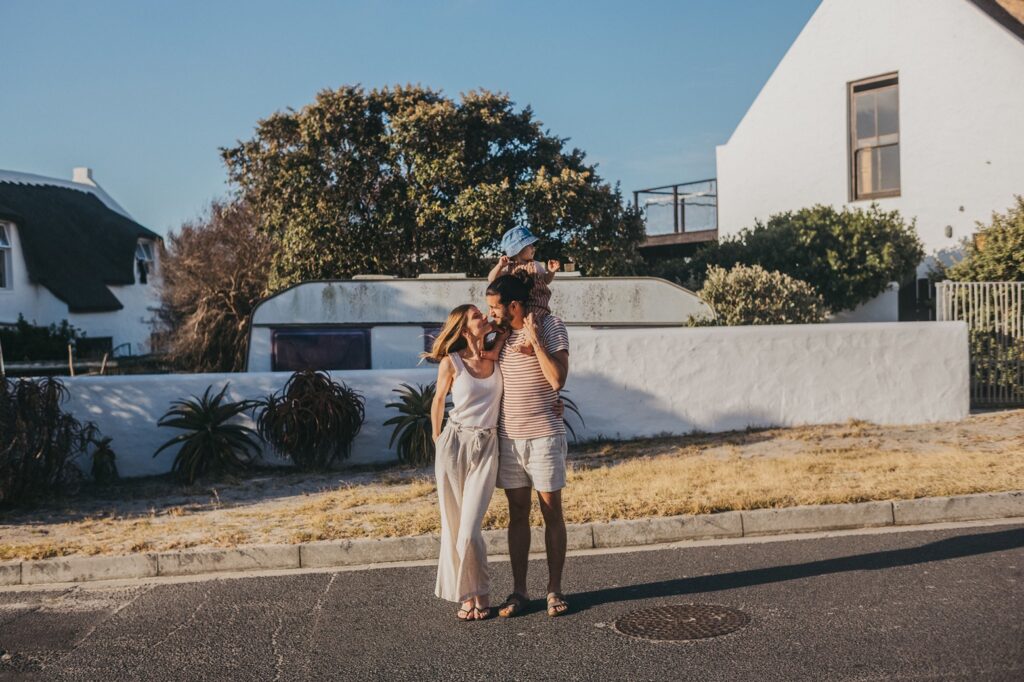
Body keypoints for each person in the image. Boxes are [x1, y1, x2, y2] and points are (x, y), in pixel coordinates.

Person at [485, 274, 572, 618]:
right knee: (517, 515)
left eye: (495, 308)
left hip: (545, 437)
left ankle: (554, 589)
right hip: (510, 439)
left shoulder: (551, 326)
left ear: (515, 306)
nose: (491, 313)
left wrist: (535, 341)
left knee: (552, 514)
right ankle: (519, 590)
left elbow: (557, 379)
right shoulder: (499, 336)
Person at [486, 227, 561, 356]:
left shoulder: (535, 265)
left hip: (536, 303)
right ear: (519, 250)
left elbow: (546, 281)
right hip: (520, 305)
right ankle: (495, 351)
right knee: (505, 328)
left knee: (532, 321)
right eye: (529, 245)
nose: (533, 248)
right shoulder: (508, 267)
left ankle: (528, 345)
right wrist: (499, 266)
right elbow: (491, 279)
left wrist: (551, 272)